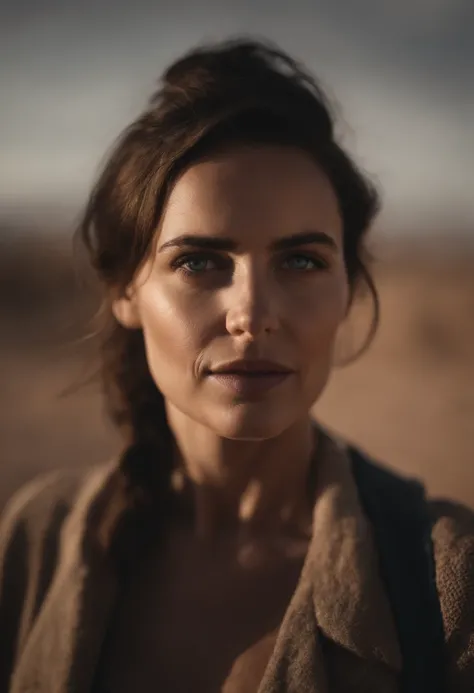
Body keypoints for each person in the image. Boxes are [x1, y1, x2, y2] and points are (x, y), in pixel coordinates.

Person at [0, 37, 473, 693]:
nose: (251, 314)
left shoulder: (447, 583)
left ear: (350, 289)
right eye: (199, 261)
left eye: (301, 260)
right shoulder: (34, 542)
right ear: (125, 291)